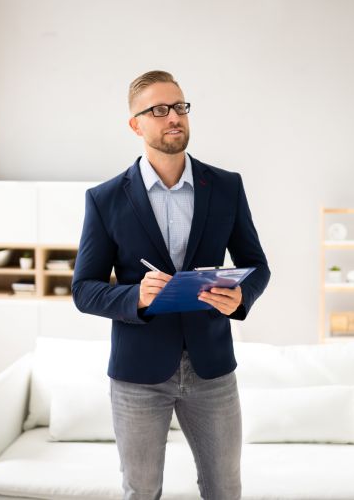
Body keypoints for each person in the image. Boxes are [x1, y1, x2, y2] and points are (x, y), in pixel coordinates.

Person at [71, 70, 270, 500]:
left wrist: (240, 298)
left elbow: (256, 265)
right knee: (140, 492)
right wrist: (135, 296)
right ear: (135, 124)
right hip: (137, 375)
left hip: (212, 369)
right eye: (158, 110)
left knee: (225, 489)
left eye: (179, 106)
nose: (173, 117)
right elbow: (84, 289)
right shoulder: (104, 199)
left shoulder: (227, 187)